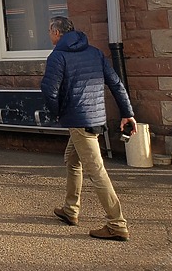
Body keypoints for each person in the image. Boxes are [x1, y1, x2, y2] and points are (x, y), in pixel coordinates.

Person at [41, 16, 137, 242]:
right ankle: (70, 209)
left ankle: (117, 223)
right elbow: (116, 83)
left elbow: (49, 90)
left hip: (78, 121)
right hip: (95, 118)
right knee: (72, 160)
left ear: (57, 33)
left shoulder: (58, 56)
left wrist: (57, 112)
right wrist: (127, 113)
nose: (49, 35)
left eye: (49, 31)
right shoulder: (94, 52)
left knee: (96, 171)